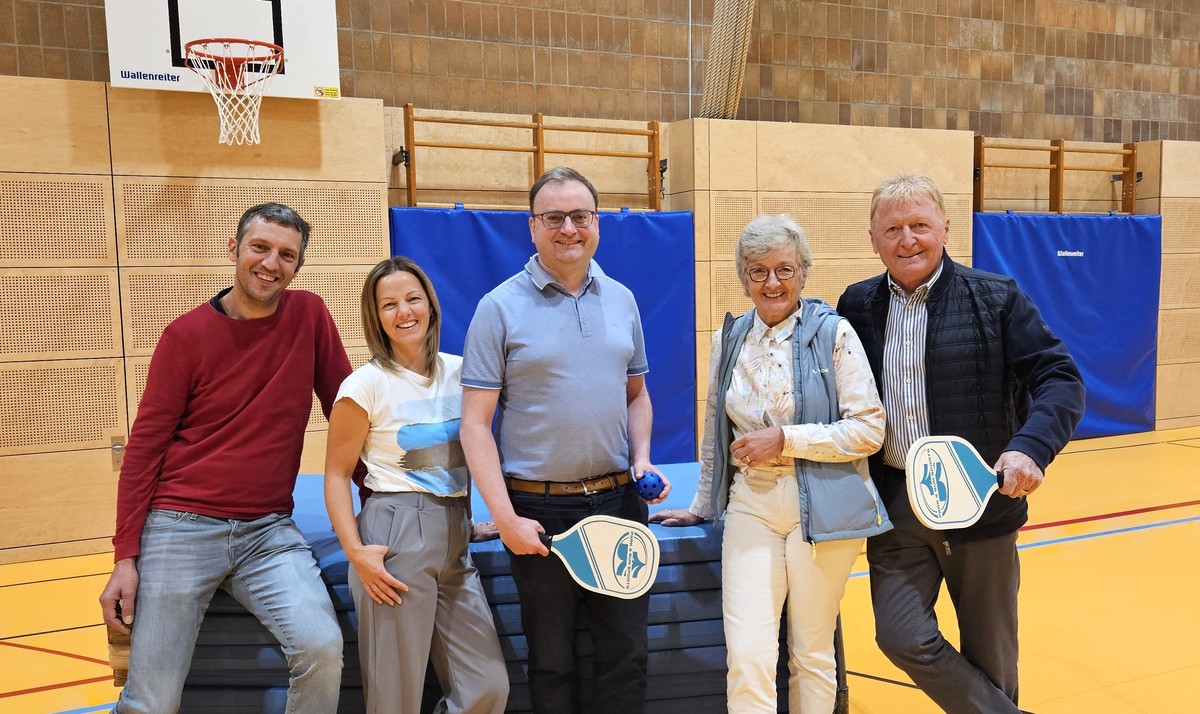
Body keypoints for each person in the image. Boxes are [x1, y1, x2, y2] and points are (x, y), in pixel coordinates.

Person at [837, 173, 1085, 713]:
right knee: (900, 636)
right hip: (897, 506)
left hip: (982, 506)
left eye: (920, 226)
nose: (908, 240)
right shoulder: (855, 306)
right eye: (893, 229)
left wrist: (1031, 448)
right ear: (873, 239)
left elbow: (1060, 379)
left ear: (946, 228)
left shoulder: (995, 298)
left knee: (992, 658)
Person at [98, 203, 348, 713]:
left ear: (298, 266)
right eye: (260, 247)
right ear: (233, 249)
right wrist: (125, 557)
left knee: (322, 649)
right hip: (180, 527)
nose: (271, 263)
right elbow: (144, 449)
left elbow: (349, 416)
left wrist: (389, 500)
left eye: (287, 255)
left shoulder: (310, 315)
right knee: (152, 699)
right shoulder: (184, 336)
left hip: (268, 533)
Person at [650, 214, 891, 712]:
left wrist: (785, 440)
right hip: (751, 505)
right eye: (757, 271)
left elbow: (870, 429)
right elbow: (717, 423)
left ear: (803, 272)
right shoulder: (730, 337)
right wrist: (701, 503)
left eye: (783, 268)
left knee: (811, 652)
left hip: (821, 506)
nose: (772, 282)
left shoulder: (835, 334)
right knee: (748, 654)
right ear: (743, 277)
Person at [459, 166, 671, 714]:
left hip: (619, 505)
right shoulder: (498, 308)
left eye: (580, 216)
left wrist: (642, 457)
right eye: (554, 217)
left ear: (597, 223)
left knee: (626, 656)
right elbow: (475, 424)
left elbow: (636, 396)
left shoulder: (622, 299)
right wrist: (503, 517)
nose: (569, 228)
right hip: (538, 511)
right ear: (532, 227)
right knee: (552, 663)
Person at [323, 256, 508, 714]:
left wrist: (462, 520)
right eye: (389, 304)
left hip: (454, 533)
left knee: (487, 687)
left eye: (412, 299)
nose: (404, 312)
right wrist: (355, 550)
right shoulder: (363, 386)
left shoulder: (464, 372)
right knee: (394, 697)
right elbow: (336, 475)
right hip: (396, 533)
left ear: (430, 304)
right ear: (376, 317)